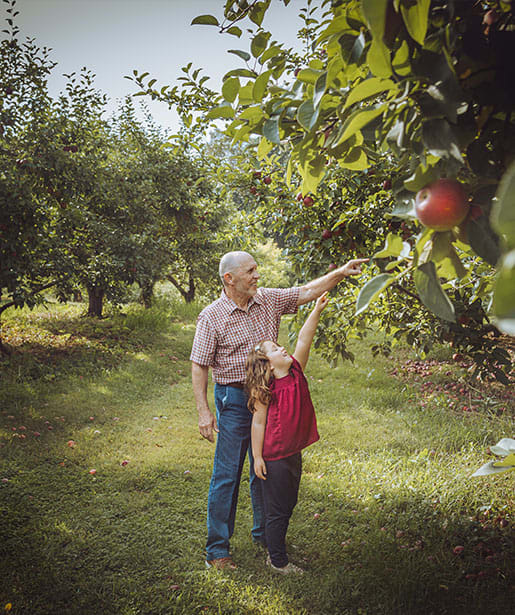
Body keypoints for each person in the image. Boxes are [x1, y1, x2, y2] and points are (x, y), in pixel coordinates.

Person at [190, 251, 367, 570]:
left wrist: (340, 272)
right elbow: (199, 364)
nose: (258, 275)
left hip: (270, 397)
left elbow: (306, 292)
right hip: (233, 398)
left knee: (265, 469)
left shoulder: (268, 299)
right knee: (227, 474)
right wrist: (204, 411)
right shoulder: (212, 316)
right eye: (250, 271)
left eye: (257, 269)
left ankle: (265, 534)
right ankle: (217, 550)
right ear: (229, 279)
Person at [245, 292, 329, 574]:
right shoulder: (265, 390)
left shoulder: (295, 371)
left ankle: (274, 546)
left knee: (288, 503)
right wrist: (257, 457)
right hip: (274, 456)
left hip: (292, 452)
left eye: (280, 346)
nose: (282, 349)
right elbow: (257, 424)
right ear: (267, 365)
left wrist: (315, 309)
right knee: (278, 508)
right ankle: (278, 561)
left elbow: (304, 339)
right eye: (275, 349)